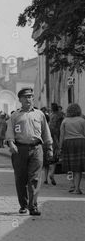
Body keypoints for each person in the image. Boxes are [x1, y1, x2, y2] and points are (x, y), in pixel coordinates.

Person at [5, 87, 53, 216]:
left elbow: (46, 132)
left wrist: (49, 148)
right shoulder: (15, 115)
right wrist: (11, 143)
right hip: (19, 149)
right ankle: (23, 205)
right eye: (25, 97)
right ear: (20, 99)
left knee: (35, 178)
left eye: (30, 96)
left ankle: (33, 206)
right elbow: (9, 132)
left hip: (36, 149)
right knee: (21, 178)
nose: (28, 99)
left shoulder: (39, 114)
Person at [59, 103, 85, 194]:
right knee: (78, 167)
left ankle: (72, 184)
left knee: (68, 167)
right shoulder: (82, 120)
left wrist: (60, 147)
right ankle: (77, 188)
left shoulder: (65, 121)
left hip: (68, 143)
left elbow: (61, 135)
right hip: (81, 143)